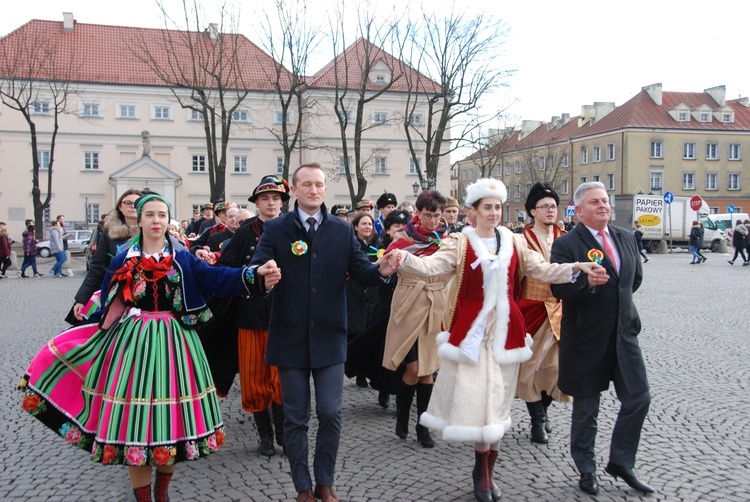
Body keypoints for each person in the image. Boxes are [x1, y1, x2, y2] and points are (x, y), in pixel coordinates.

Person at [19, 193, 277, 502]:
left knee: (172, 421)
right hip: (133, 344)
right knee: (135, 427)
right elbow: (106, 300)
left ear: (168, 221)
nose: (156, 220)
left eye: (162, 215)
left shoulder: (181, 256)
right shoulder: (124, 258)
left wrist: (254, 276)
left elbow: (216, 278)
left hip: (176, 344)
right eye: (150, 215)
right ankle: (143, 497)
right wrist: (91, 331)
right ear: (139, 220)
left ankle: (162, 492)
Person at [386, 178, 604, 502]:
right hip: (473, 335)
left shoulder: (514, 242)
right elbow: (432, 267)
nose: (493, 213)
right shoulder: (460, 242)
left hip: (506, 334)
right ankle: (480, 468)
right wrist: (406, 260)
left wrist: (576, 268)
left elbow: (541, 269)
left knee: (498, 405)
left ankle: (488, 471)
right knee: (481, 404)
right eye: (486, 207)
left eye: (497, 207)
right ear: (473, 212)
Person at [250, 163, 400, 502]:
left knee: (331, 413)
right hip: (290, 337)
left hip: (331, 336)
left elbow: (360, 269)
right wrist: (262, 273)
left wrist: (383, 270)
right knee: (296, 417)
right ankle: (303, 487)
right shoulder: (276, 230)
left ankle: (325, 482)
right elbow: (258, 266)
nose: (313, 190)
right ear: (296, 189)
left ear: (324, 188)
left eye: (318, 184)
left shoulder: (341, 230)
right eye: (306, 184)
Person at [550, 181, 653, 495]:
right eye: (594, 202)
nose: (603, 206)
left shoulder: (624, 237)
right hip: (585, 339)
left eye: (605, 201)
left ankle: (622, 461)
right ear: (579, 210)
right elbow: (558, 289)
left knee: (638, 398)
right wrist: (587, 283)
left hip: (623, 335)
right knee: (587, 410)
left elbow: (632, 281)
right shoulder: (567, 243)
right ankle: (586, 468)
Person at [205, 175, 290, 458]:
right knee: (255, 378)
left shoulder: (295, 230)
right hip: (250, 315)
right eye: (265, 199)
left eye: (275, 199)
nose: (270, 203)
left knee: (282, 379)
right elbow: (226, 270)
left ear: (282, 202)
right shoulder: (244, 233)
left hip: (285, 315)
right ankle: (265, 435)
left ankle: (283, 433)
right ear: (256, 203)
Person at [383, 189, 449, 449]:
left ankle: (423, 427)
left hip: (434, 305)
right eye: (428, 215)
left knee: (428, 371)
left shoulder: (446, 241)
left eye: (437, 215)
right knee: (412, 368)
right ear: (418, 214)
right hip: (409, 304)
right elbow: (386, 263)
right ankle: (402, 414)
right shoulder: (403, 238)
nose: (433, 221)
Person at [515, 182, 570, 445]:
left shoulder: (566, 237)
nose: (551, 210)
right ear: (532, 211)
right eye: (544, 206)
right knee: (530, 368)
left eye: (553, 206)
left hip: (561, 309)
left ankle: (544, 410)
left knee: (557, 369)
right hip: (532, 308)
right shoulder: (522, 240)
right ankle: (537, 421)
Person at [70, 189, 143, 323]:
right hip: (114, 294)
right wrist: (81, 299)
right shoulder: (109, 234)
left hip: (143, 296)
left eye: (137, 203)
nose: (133, 206)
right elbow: (97, 268)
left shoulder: (149, 232)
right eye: (128, 203)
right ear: (120, 207)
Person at [346, 212, 383, 388]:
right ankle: (358, 370)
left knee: (369, 329)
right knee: (357, 330)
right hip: (355, 290)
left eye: (370, 224)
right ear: (356, 226)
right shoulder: (352, 245)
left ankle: (366, 369)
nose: (368, 227)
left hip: (373, 292)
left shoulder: (378, 245)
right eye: (364, 224)